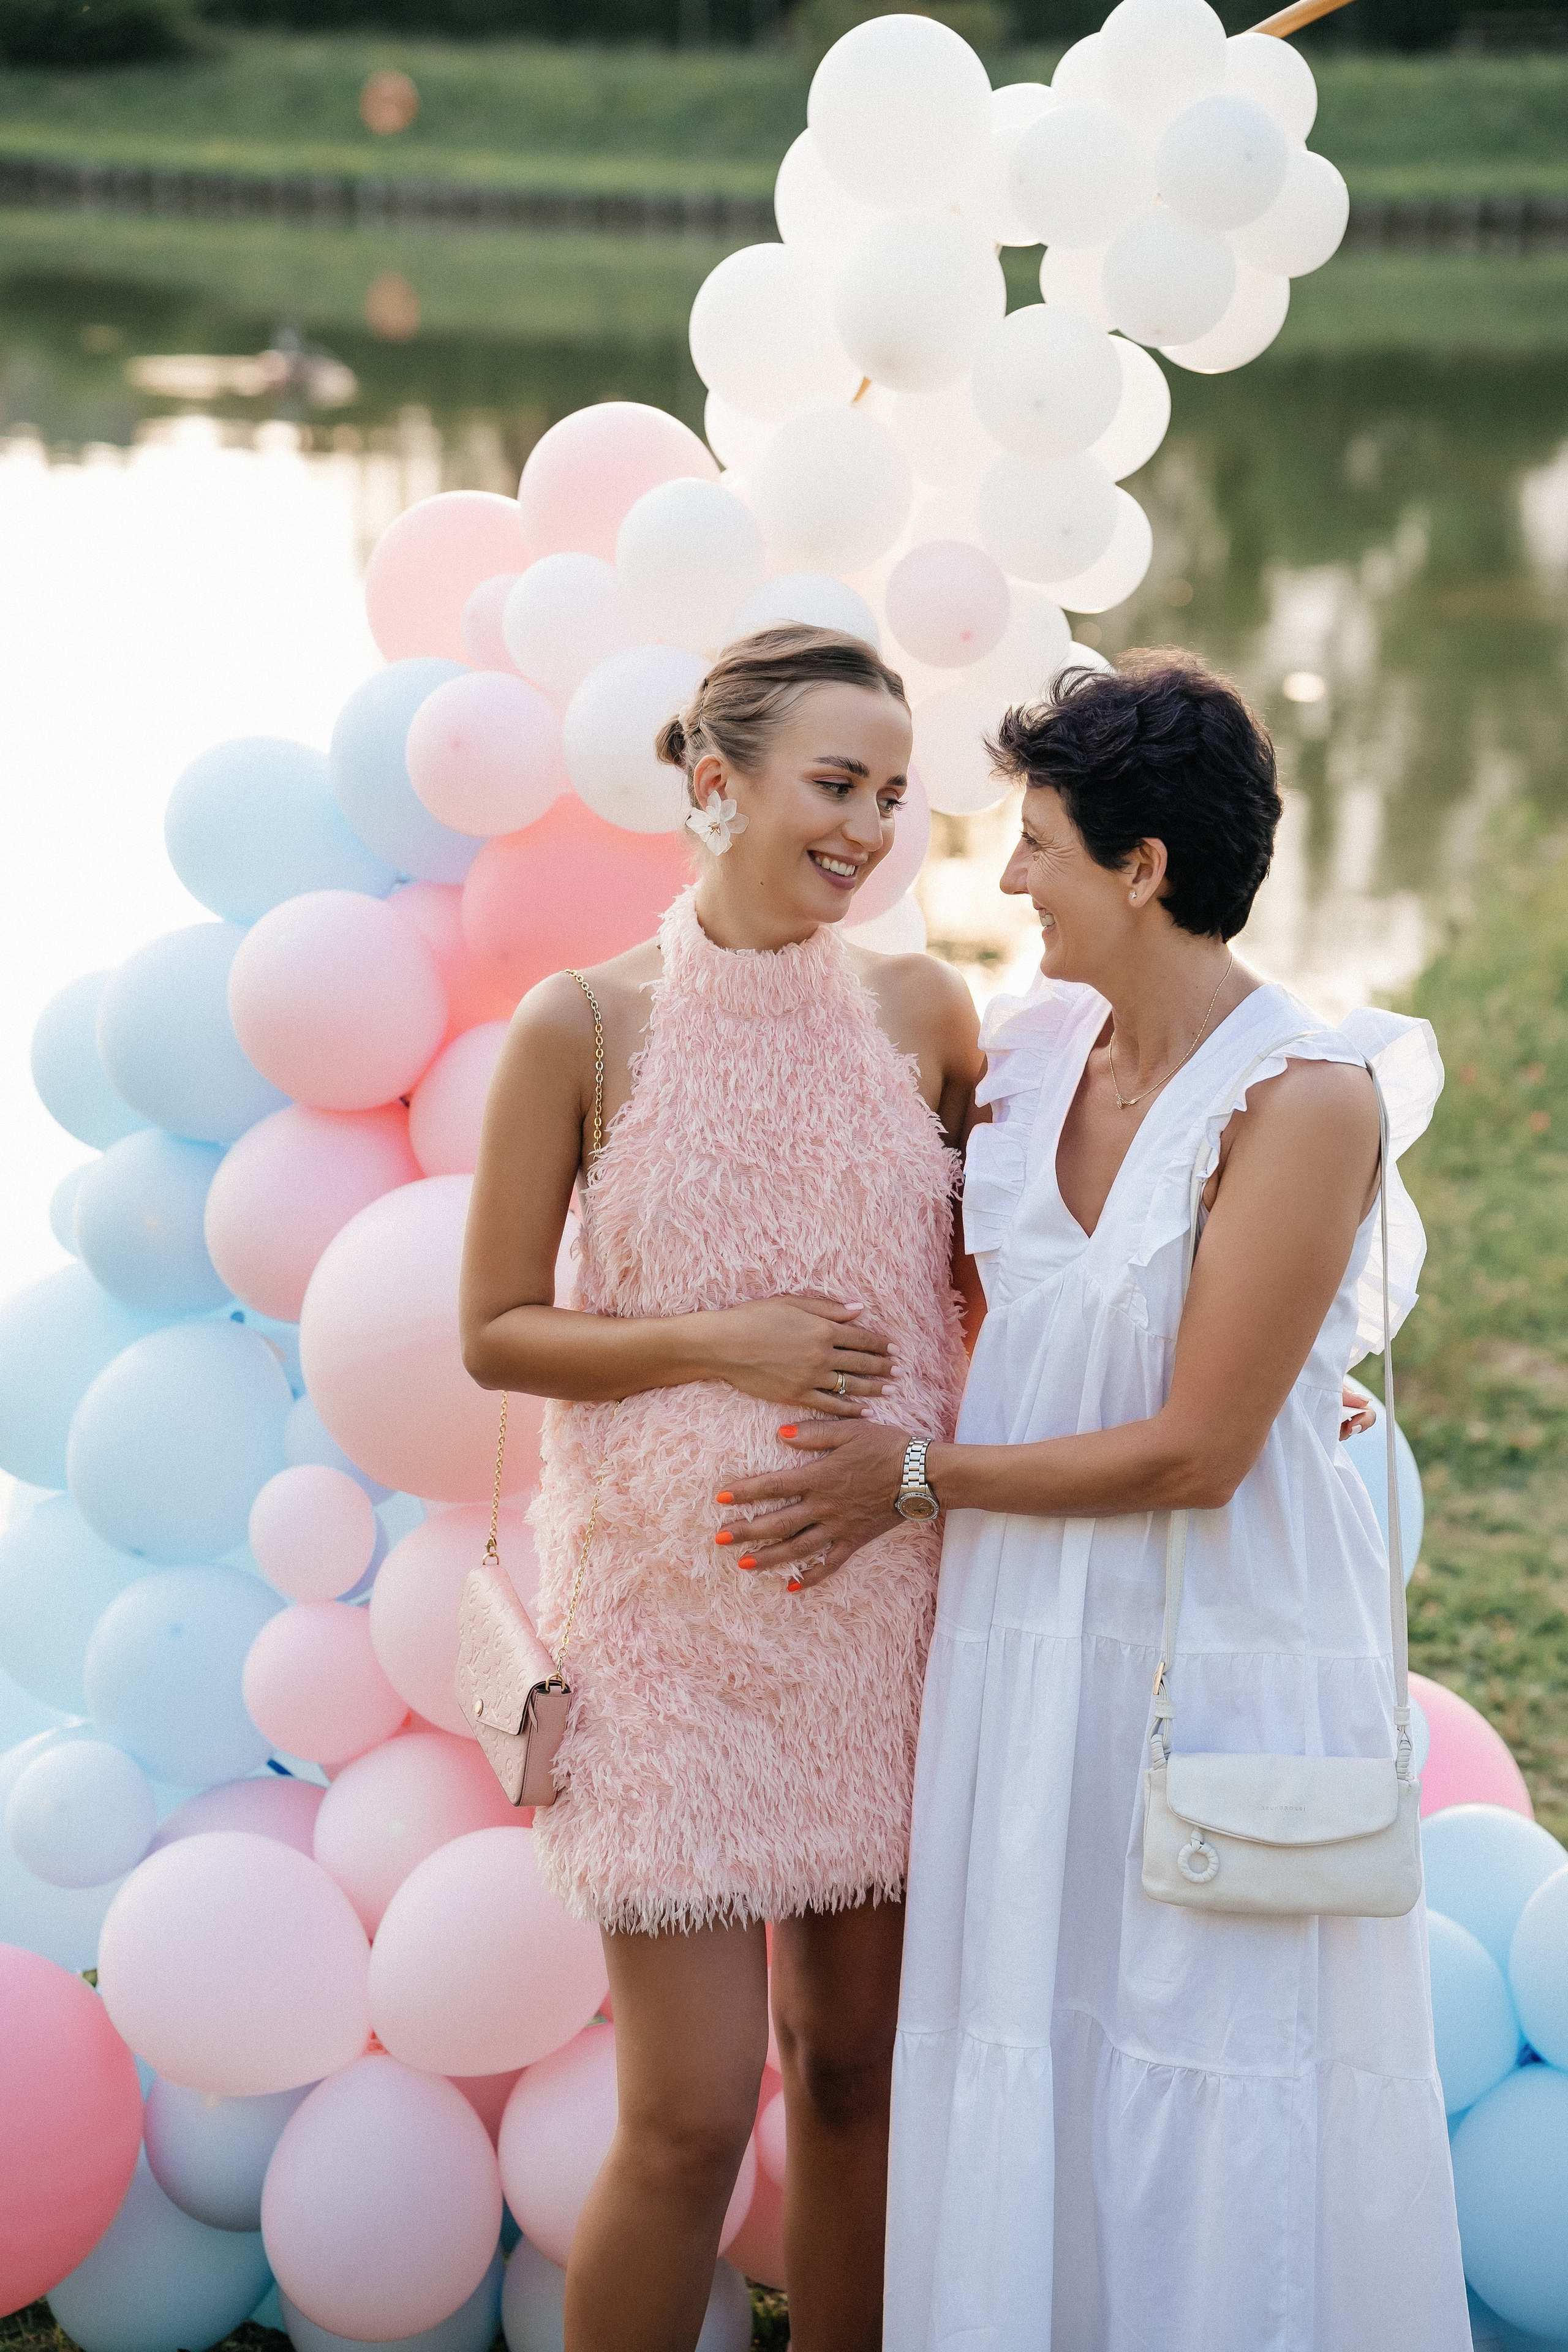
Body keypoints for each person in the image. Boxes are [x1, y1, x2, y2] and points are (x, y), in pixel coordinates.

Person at [715, 651, 1471, 2350]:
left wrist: (911, 1482)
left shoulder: (1307, 1099)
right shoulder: (1037, 1056)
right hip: (1019, 1634)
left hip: (1212, 1636)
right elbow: (986, 1303)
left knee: (1204, 2040)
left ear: (1144, 869)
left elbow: (1201, 1448)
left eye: (1042, 844)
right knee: (1027, 2028)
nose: (1008, 880)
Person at [459, 625, 982, 2352]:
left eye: (893, 796)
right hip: (665, 1645)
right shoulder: (585, 1027)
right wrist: (720, 1344)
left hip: (872, 1621)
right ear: (713, 785)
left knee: (851, 2079)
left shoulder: (924, 1013)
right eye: (837, 784)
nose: (868, 829)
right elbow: (496, 1332)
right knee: (684, 2119)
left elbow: (1015, 1285)